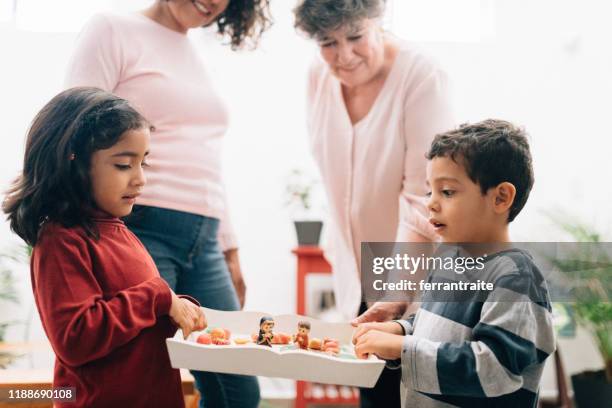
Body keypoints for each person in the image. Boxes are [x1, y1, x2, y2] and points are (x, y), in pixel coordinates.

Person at [64, 1, 272, 406]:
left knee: (239, 391)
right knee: (141, 381)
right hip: (138, 228)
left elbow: (204, 155)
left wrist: (229, 246)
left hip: (206, 239)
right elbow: (70, 131)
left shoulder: (199, 52)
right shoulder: (111, 29)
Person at [2, 87, 207, 407]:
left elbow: (130, 319)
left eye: (144, 164)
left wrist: (174, 308)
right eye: (124, 165)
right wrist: (157, 296)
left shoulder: (120, 232)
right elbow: (76, 337)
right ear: (74, 162)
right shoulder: (61, 240)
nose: (140, 179)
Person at [293, 0, 454, 405]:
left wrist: (395, 292)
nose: (344, 56)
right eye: (328, 42)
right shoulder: (318, 77)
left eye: (355, 36)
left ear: (378, 23)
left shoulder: (420, 76)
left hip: (412, 279)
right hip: (357, 275)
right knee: (375, 396)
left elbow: (424, 199)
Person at [352, 119, 556, 407]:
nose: (431, 204)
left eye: (447, 192)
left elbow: (495, 369)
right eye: (429, 192)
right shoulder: (447, 261)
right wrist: (402, 330)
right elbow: (439, 329)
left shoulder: (517, 279)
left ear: (501, 197)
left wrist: (403, 348)